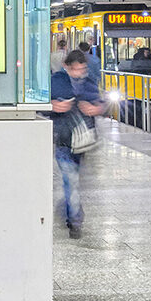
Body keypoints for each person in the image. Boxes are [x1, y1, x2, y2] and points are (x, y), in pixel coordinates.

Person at [51, 49, 105, 238]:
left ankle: (69, 211)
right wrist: (53, 107)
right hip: (64, 139)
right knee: (71, 181)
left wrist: (96, 108)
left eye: (82, 69)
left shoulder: (89, 82)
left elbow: (101, 103)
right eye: (75, 69)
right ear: (66, 67)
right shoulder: (56, 80)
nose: (79, 73)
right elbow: (44, 106)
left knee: (73, 182)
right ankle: (75, 221)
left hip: (83, 142)